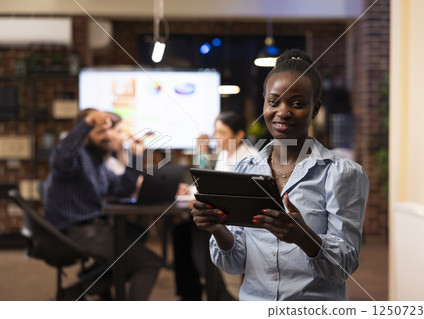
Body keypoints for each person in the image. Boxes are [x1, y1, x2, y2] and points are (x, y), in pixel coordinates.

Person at [191, 49, 370, 301]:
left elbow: (345, 266)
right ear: (264, 103)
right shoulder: (246, 170)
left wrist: (304, 237)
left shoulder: (341, 173)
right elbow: (235, 264)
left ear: (315, 108)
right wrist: (218, 228)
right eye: (273, 101)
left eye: (297, 104)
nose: (282, 112)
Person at [43, 108, 162, 301]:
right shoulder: (76, 157)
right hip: (74, 231)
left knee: (137, 235)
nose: (108, 136)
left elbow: (122, 187)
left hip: (91, 227)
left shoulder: (97, 160)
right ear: (84, 135)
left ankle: (75, 292)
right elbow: (60, 160)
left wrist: (136, 157)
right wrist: (87, 123)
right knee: (148, 262)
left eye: (109, 131)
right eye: (100, 132)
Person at [173, 111, 258, 300]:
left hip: (241, 222)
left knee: (195, 232)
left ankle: (219, 296)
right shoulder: (224, 154)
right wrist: (190, 190)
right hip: (223, 215)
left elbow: (236, 196)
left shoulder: (250, 158)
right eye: (215, 132)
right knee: (181, 233)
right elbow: (215, 185)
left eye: (221, 133)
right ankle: (191, 295)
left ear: (239, 135)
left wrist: (197, 197)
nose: (216, 137)